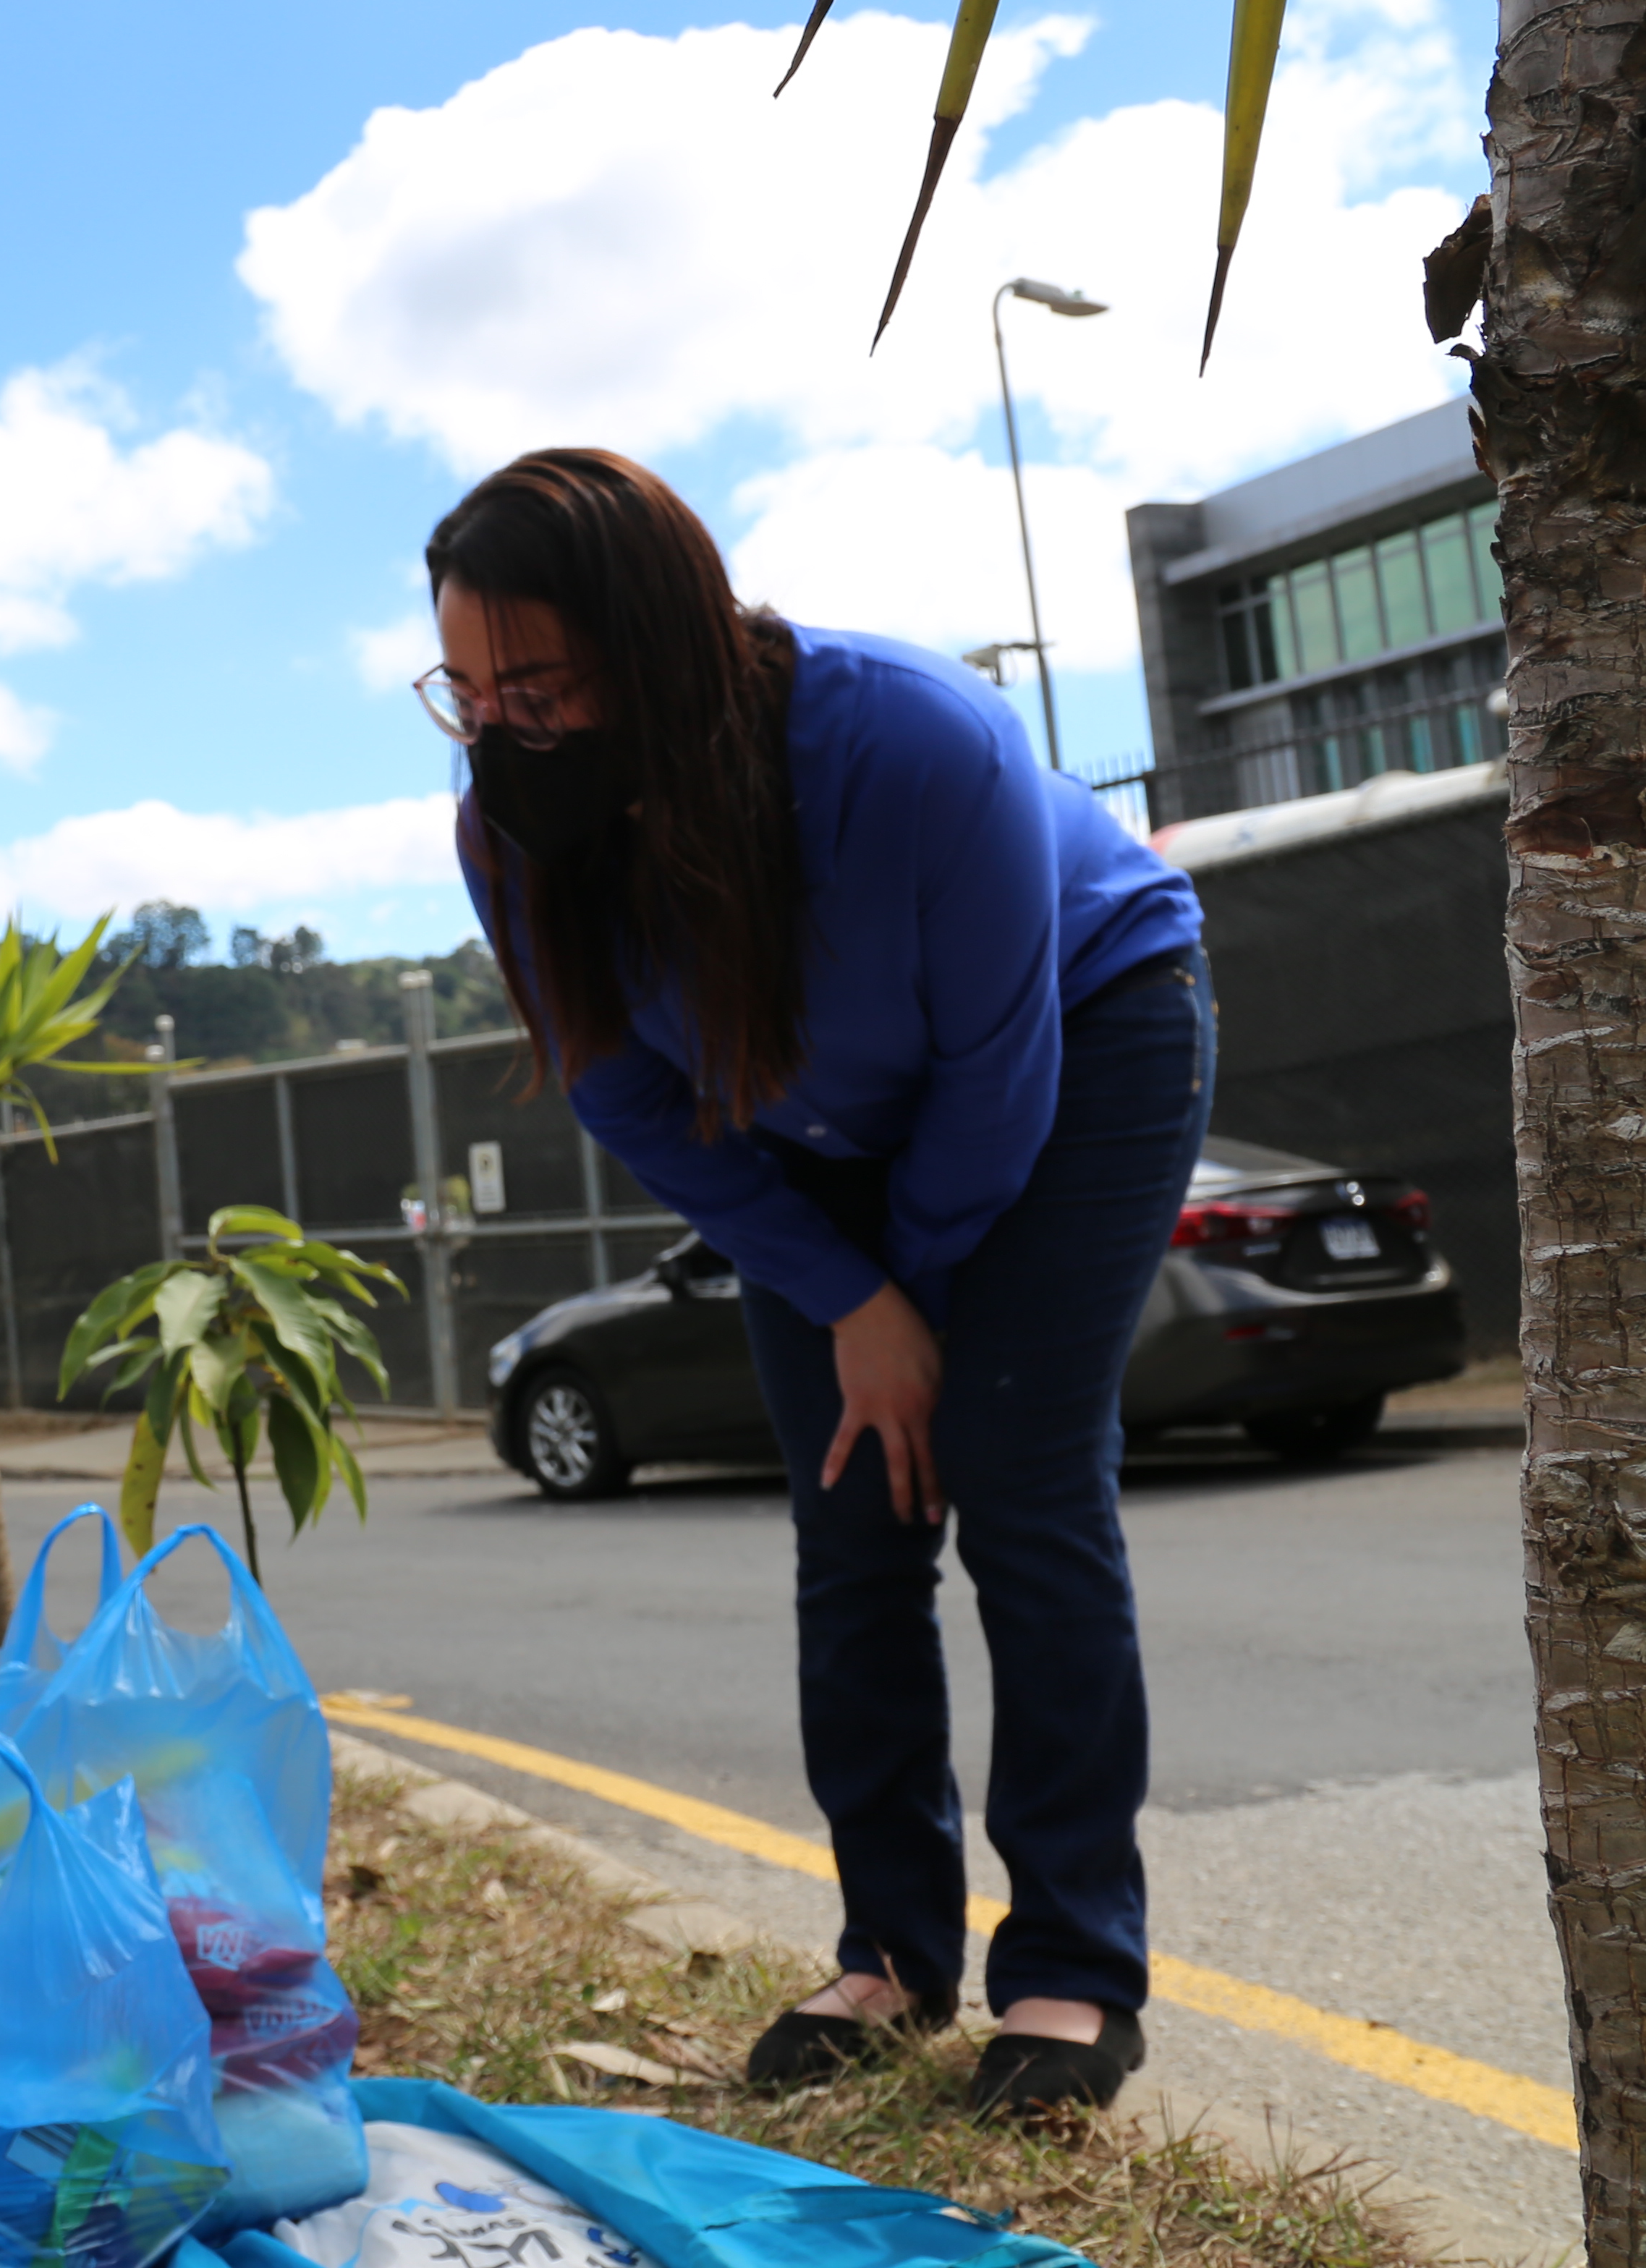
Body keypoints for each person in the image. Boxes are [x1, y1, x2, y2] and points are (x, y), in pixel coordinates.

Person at [420, 449, 1207, 2118]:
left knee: (1018, 1480)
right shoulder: (510, 833)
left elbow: (1002, 1075)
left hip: (1084, 1040)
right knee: (853, 1512)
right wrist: (852, 1305)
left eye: (541, 688)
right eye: (469, 693)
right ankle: (895, 1953)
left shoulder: (916, 745)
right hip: (808, 1138)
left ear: (662, 646)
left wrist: (902, 1302)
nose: (502, 733)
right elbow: (627, 1092)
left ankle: (1071, 1970)